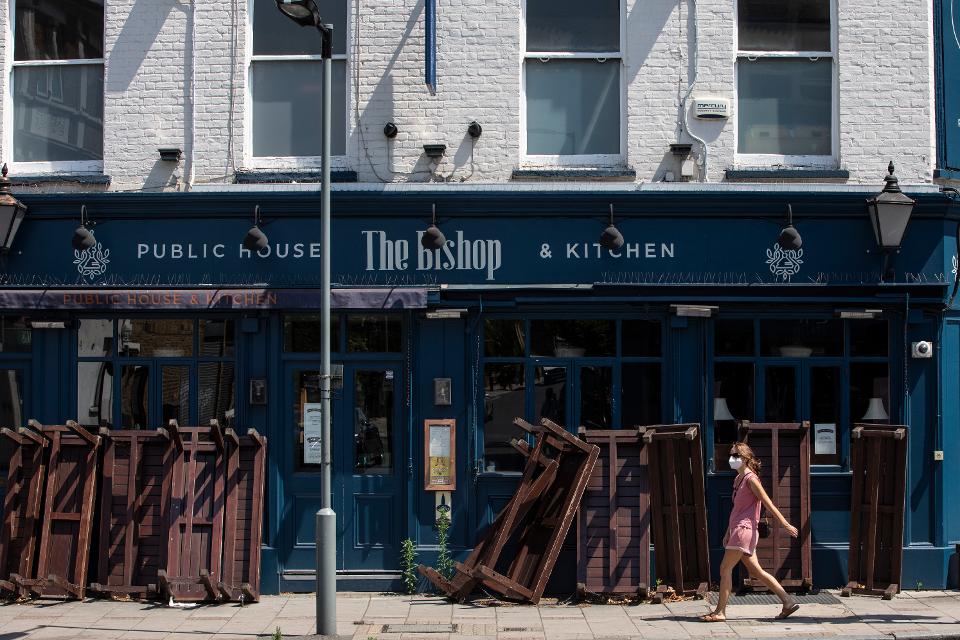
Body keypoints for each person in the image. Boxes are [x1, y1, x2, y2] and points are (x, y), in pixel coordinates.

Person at [701, 442, 801, 622]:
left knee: (725, 568)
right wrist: (727, 532)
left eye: (736, 456)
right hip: (738, 530)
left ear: (745, 459)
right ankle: (787, 601)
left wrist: (785, 524)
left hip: (744, 530)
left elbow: (767, 503)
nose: (732, 459)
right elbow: (736, 510)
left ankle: (720, 612)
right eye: (731, 455)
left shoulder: (751, 479)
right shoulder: (738, 480)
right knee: (757, 571)